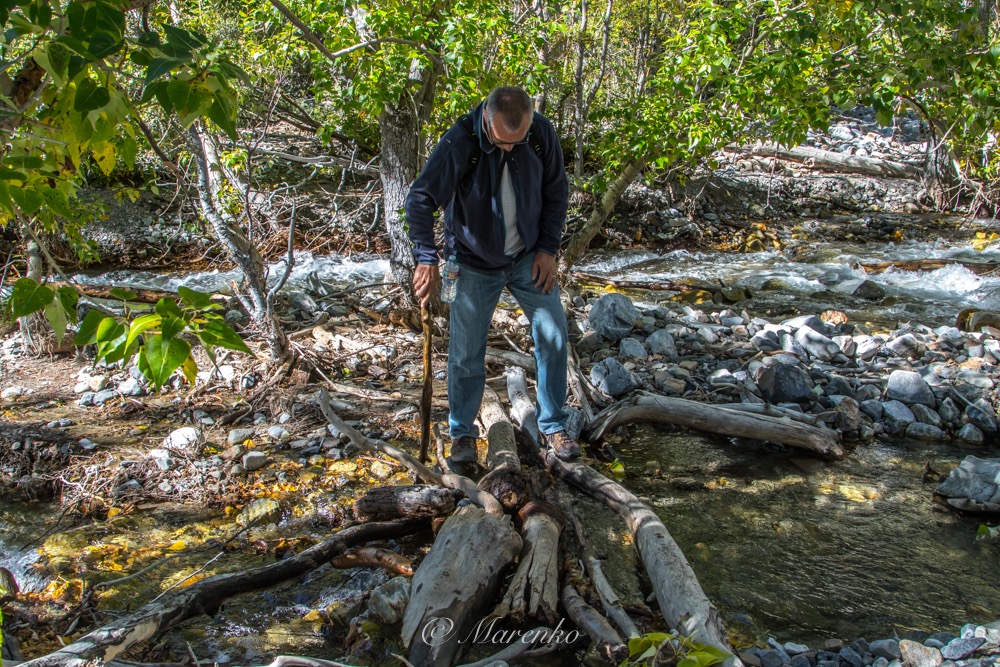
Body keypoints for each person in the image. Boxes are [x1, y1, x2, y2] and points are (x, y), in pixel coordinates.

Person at [405, 86, 581, 463]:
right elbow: (420, 198)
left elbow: (556, 190)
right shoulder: (459, 140)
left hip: (527, 256)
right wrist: (426, 258)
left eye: (515, 143)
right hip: (469, 262)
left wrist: (549, 249)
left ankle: (553, 425)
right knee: (465, 353)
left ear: (531, 122)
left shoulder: (540, 134)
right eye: (501, 142)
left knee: (553, 334)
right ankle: (463, 435)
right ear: (486, 117)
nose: (507, 149)